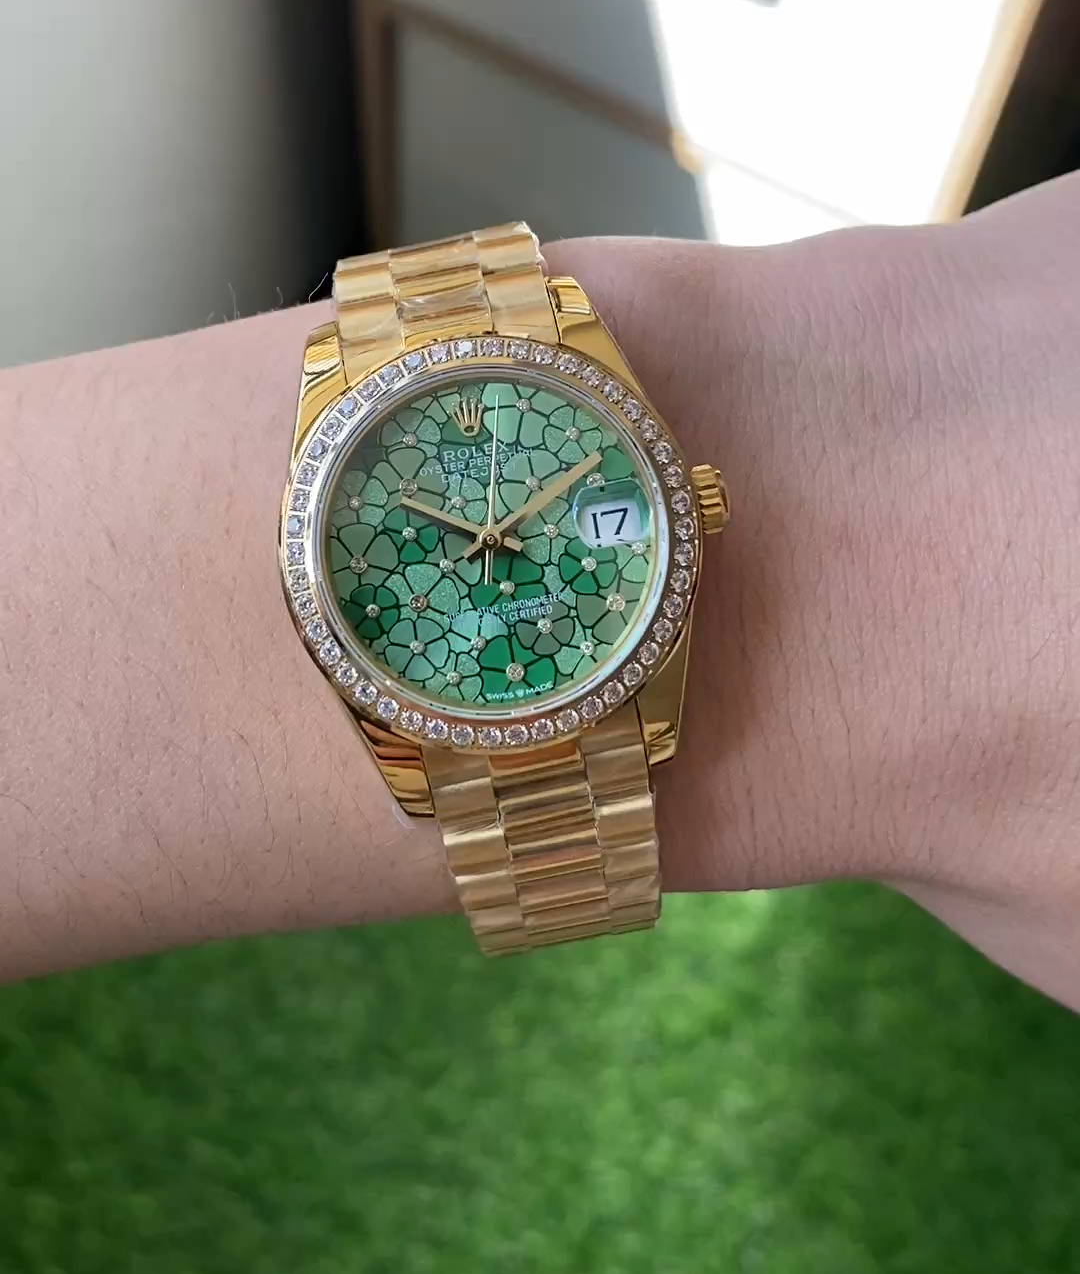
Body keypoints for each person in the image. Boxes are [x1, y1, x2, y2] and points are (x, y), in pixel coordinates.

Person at [1, 175, 1078, 1005]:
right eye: (478, 538)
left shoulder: (652, 504)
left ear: (695, 501)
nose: (489, 545)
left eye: (495, 534)